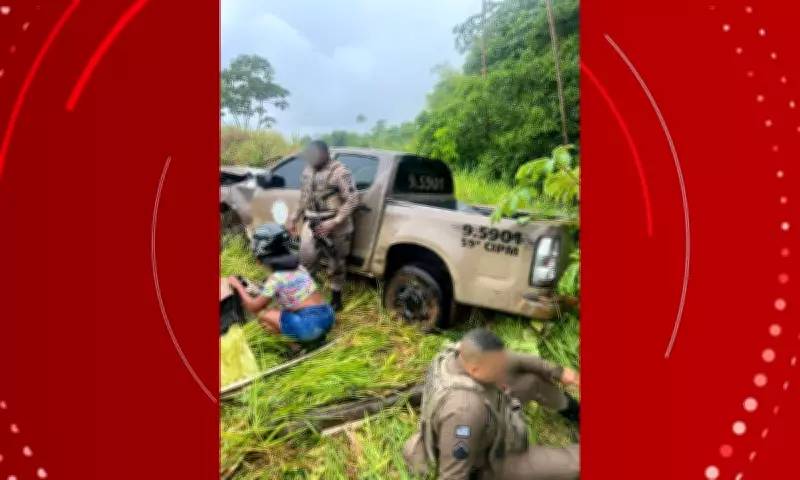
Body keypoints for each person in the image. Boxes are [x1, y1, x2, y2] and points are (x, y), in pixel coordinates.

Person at [403, 328, 580, 480]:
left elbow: (517, 360)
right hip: (490, 460)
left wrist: (556, 372)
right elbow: (452, 476)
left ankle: (575, 412)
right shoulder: (465, 410)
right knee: (574, 464)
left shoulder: (456, 355)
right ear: (474, 369)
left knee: (532, 381)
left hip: (489, 418)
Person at [227, 223, 335, 354]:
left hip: (310, 326)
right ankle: (315, 339)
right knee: (278, 310)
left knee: (263, 315)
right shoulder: (298, 267)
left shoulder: (276, 279)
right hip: (327, 317)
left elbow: (253, 306)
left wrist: (238, 286)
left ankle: (298, 349)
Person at [286, 140, 359, 311]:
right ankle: (304, 296)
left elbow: (353, 199)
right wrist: (294, 217)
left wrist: (334, 222)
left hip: (336, 226)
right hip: (312, 223)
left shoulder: (340, 172)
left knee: (337, 264)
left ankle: (336, 299)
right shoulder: (307, 171)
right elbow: (304, 197)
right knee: (306, 261)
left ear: (326, 153)